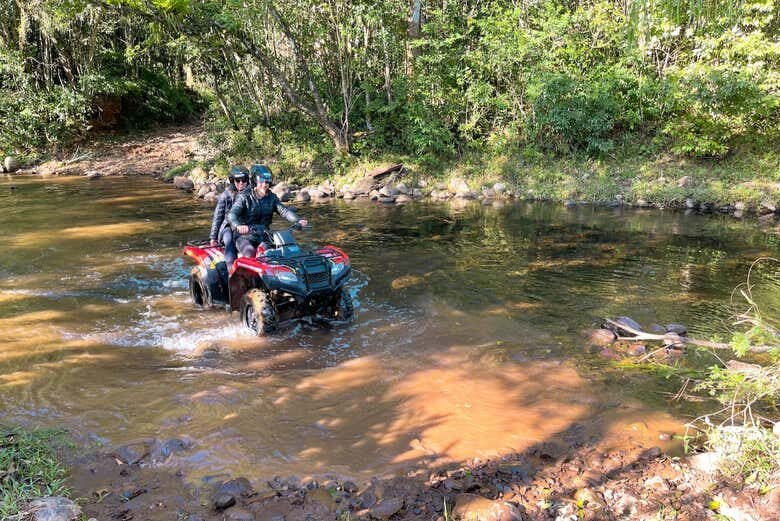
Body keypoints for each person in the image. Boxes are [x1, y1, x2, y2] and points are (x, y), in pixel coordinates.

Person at [227, 164, 308, 259]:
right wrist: (238, 225)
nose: (264, 184)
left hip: (264, 235)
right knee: (250, 254)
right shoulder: (244, 197)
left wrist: (298, 220)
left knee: (282, 253)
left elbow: (285, 212)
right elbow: (231, 214)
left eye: (267, 181)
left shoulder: (272, 198)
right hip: (245, 236)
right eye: (261, 181)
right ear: (254, 182)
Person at [209, 165, 250, 266]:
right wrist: (213, 237)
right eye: (237, 180)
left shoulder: (252, 194)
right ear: (232, 181)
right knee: (229, 240)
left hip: (244, 226)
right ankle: (230, 270)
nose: (241, 183)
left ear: (248, 180)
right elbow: (218, 217)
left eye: (244, 180)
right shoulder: (225, 195)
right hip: (227, 227)